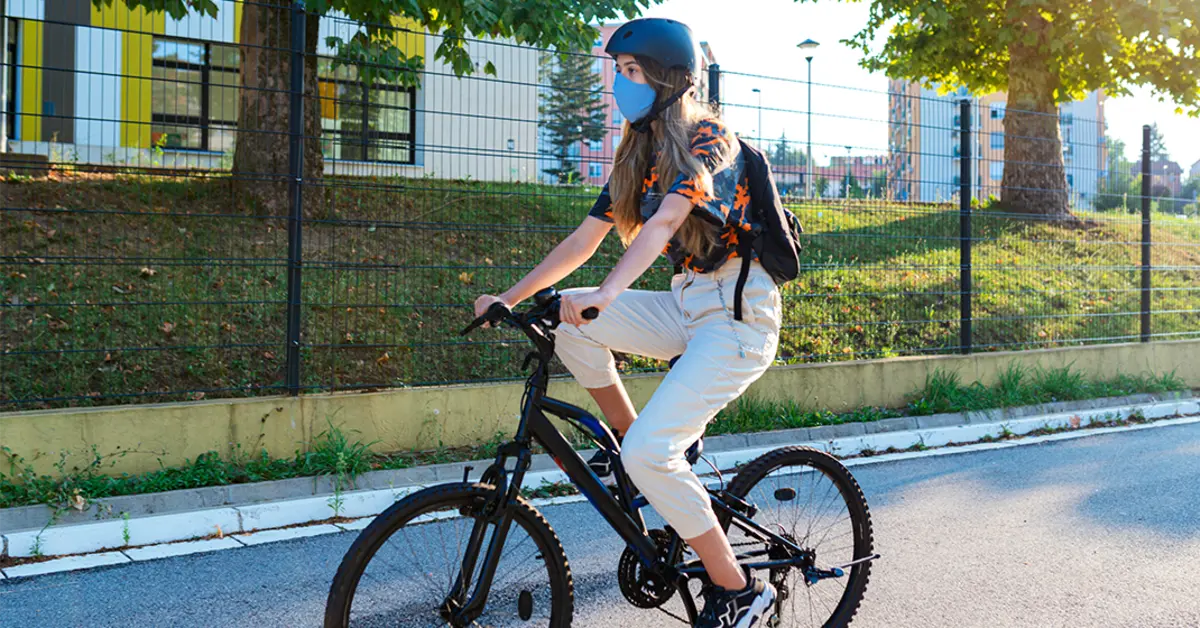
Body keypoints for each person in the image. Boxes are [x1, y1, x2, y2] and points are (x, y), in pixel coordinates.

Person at [474, 17, 781, 628]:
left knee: (650, 448)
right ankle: (634, 458)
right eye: (619, 72)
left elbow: (668, 221)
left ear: (668, 79)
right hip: (686, 303)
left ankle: (741, 588)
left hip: (739, 318)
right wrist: (507, 297)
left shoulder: (709, 137)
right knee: (567, 320)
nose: (621, 84)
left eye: (632, 72)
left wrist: (612, 292)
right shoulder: (637, 154)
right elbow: (585, 240)